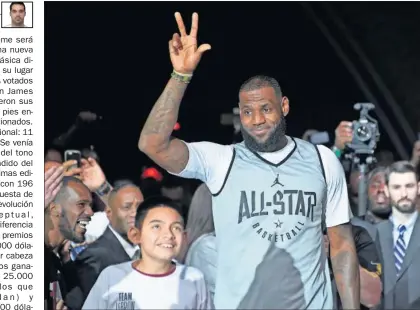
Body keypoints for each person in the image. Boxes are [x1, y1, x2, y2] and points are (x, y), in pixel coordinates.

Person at [138, 12, 360, 309]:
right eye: (247, 112)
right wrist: (181, 76)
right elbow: (152, 144)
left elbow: (342, 245)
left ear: (284, 106)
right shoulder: (222, 160)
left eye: (266, 109)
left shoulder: (321, 159)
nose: (256, 120)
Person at [82, 196, 213, 309]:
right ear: (135, 235)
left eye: (176, 227)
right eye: (157, 226)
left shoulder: (194, 278)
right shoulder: (112, 277)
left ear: (184, 238)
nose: (168, 234)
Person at [67, 183, 144, 309]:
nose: (135, 213)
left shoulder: (148, 251)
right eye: (127, 207)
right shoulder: (94, 258)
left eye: (140, 207)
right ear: (109, 212)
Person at [375, 161, 420, 309]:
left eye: (409, 186)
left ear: (418, 188)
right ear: (386, 190)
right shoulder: (375, 234)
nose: (404, 194)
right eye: (396, 187)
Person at [44, 176, 93, 310]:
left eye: (90, 206)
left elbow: (77, 304)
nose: (90, 212)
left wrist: (66, 261)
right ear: (55, 210)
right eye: (81, 204)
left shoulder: (56, 258)